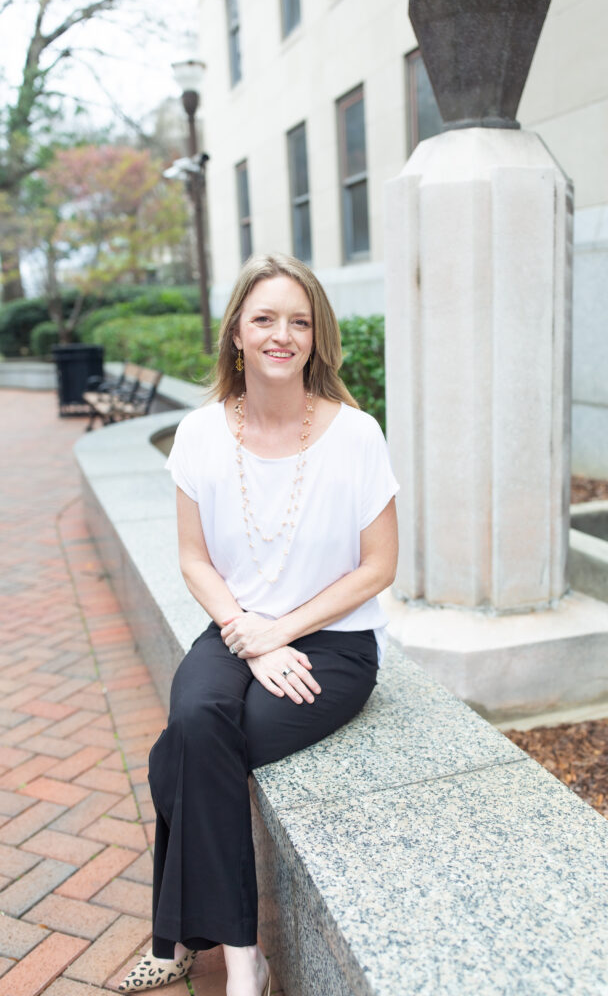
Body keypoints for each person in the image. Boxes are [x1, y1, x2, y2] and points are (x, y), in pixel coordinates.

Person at [118, 254, 399, 996]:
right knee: (193, 723)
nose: (283, 334)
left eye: (299, 321)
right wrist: (245, 630)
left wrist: (283, 632)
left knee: (181, 751)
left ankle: (177, 942)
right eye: (265, 319)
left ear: (317, 336)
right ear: (237, 332)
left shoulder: (356, 435)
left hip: (332, 646)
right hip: (235, 627)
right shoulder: (202, 433)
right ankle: (245, 960)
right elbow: (191, 557)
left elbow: (377, 569)